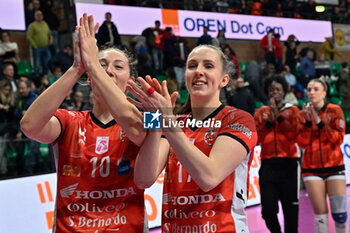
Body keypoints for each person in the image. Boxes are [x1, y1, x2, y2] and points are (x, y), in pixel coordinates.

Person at [20, 13, 148, 232]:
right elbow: (29, 126)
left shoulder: (146, 120)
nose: (108, 71)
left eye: (118, 67)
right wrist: (76, 68)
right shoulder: (69, 120)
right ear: (90, 78)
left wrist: (94, 66)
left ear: (130, 82)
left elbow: (137, 127)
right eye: (101, 65)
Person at [128, 44, 258, 232]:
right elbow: (143, 179)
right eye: (192, 66)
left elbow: (209, 177)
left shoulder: (239, 119)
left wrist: (166, 118)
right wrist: (153, 117)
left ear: (224, 80)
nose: (198, 71)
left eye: (208, 66)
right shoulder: (174, 122)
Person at [297, 79, 348, 233]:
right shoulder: (302, 114)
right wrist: (307, 122)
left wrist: (319, 123)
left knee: (340, 216)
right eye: (309, 89)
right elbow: (302, 143)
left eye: (315, 89)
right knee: (320, 216)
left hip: (335, 167)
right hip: (311, 170)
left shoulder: (335, 110)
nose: (311, 92)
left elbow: (337, 139)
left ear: (324, 93)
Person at [254, 75, 301, 233]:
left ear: (284, 92)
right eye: (271, 90)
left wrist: (278, 115)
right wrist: (269, 120)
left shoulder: (293, 110)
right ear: (267, 93)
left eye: (278, 89)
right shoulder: (261, 112)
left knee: (290, 211)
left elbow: (293, 134)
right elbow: (257, 137)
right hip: (268, 166)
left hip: (289, 165)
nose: (275, 92)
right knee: (267, 211)